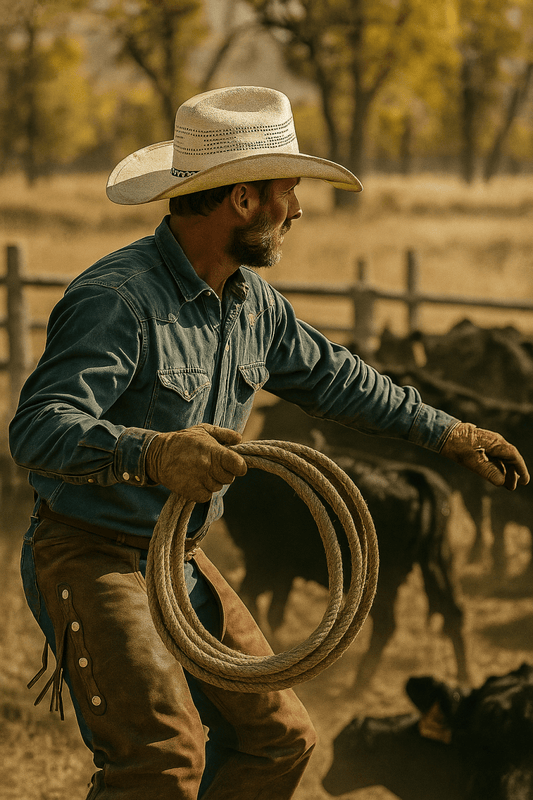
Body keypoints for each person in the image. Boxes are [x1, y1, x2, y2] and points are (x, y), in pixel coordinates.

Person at [9, 85, 529, 800]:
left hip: (179, 558)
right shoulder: (117, 300)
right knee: (161, 758)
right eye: (289, 191)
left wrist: (448, 432)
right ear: (243, 199)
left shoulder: (252, 304)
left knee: (280, 739)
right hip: (91, 553)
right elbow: (38, 428)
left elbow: (338, 378)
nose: (299, 210)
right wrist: (155, 452)